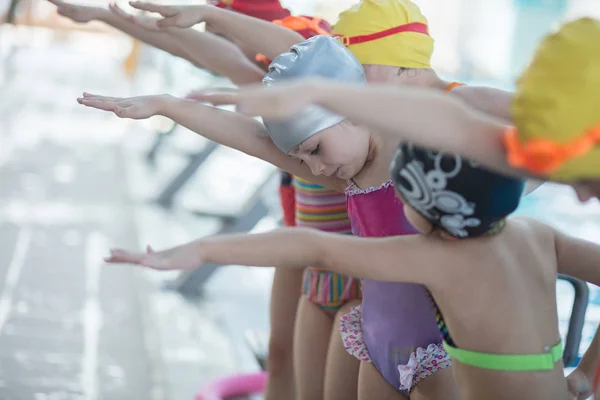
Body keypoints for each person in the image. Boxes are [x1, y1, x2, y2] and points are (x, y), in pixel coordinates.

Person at [101, 136, 600, 400]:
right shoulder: (541, 236)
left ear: (425, 210)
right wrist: (584, 374)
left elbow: (316, 249)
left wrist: (202, 251)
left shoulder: (438, 258)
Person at [190, 17, 600, 203]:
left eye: (362, 69)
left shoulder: (463, 108)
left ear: (403, 65)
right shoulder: (374, 150)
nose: (357, 82)